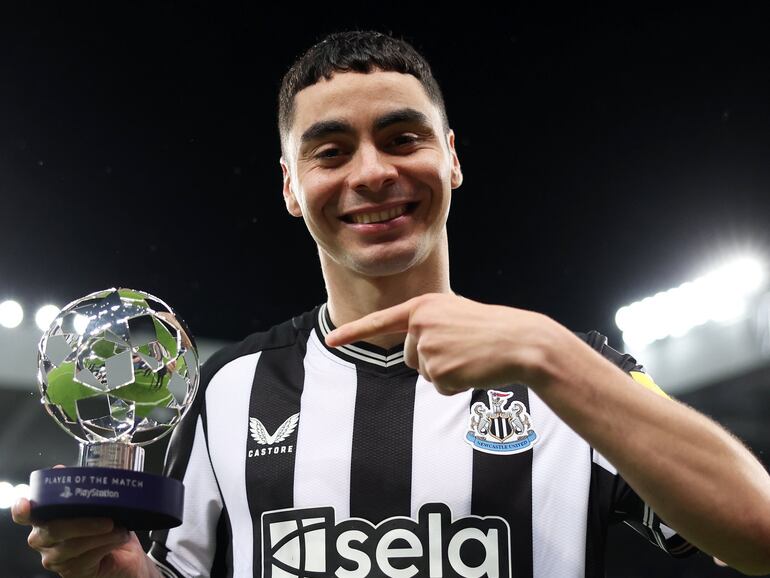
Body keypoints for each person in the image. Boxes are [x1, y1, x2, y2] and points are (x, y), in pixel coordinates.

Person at [13, 30, 770, 578]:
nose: (372, 173)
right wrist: (120, 571)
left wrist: (554, 356)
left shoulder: (571, 370)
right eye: (331, 150)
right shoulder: (232, 387)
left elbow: (758, 534)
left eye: (403, 138)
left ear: (452, 159)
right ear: (289, 186)